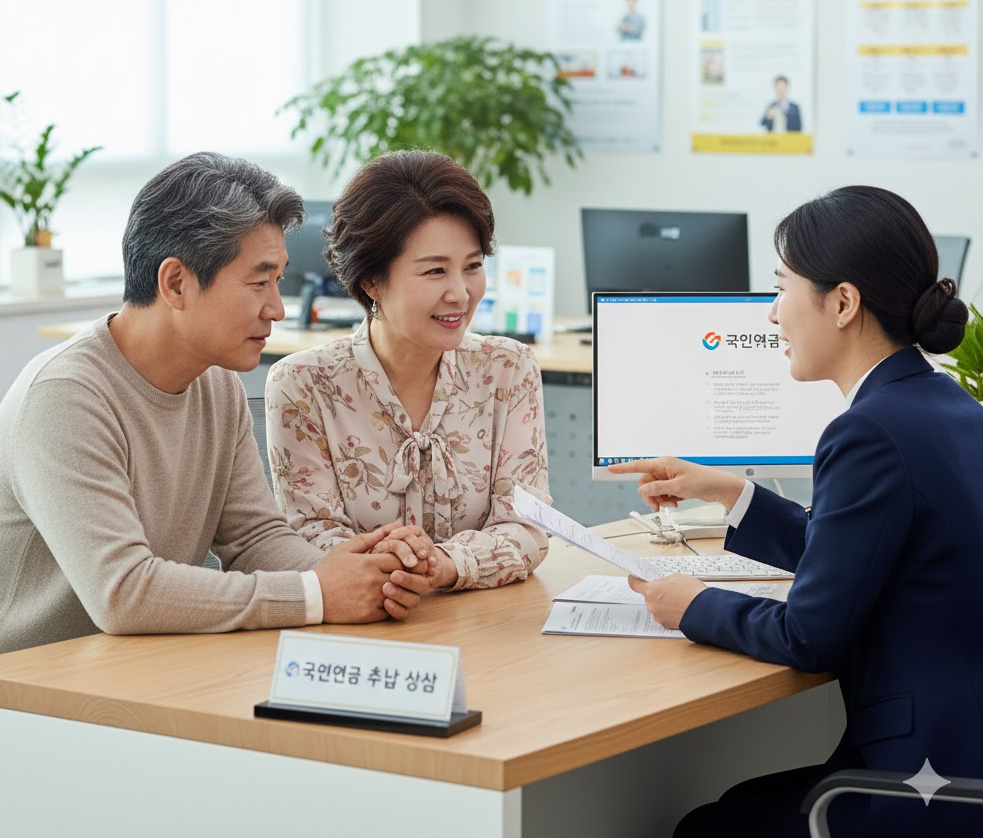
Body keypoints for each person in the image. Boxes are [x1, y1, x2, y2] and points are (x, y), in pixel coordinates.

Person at [610, 185, 983, 837]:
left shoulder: (867, 432)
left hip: (918, 788)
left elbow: (809, 637)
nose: (772, 315)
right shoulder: (950, 408)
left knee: (710, 826)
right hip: (959, 755)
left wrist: (690, 604)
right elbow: (858, 553)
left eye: (781, 288)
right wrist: (730, 492)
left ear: (842, 302)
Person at [0, 153, 431, 662]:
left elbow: (254, 538)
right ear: (176, 283)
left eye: (279, 281)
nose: (277, 307)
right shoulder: (64, 397)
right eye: (259, 282)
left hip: (135, 671)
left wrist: (355, 572)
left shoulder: (217, 383)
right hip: (12, 696)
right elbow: (123, 593)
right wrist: (316, 595)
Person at [265, 150, 550, 592]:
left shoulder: (508, 369)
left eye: (473, 266)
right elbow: (312, 535)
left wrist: (444, 565)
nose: (460, 293)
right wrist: (396, 572)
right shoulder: (303, 385)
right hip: (357, 629)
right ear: (371, 281)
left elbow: (528, 525)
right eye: (435, 271)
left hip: (488, 628)